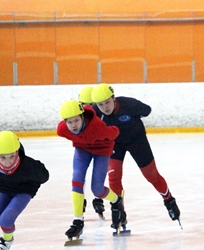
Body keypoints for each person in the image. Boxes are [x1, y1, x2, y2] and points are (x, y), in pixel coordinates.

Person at [90, 83, 180, 225]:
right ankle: (118, 210)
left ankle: (169, 200)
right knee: (114, 176)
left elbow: (147, 110)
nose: (105, 107)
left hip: (137, 140)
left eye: (107, 102)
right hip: (114, 144)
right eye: (100, 104)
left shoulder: (129, 104)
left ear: (114, 98)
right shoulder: (95, 113)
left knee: (151, 175)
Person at [56, 99, 125, 238]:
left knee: (97, 190)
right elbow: (69, 131)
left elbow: (114, 132)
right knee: (77, 179)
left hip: (102, 150)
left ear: (82, 117)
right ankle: (77, 221)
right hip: (82, 149)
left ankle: (116, 200)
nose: (73, 125)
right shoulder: (62, 130)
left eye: (76, 120)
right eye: (69, 122)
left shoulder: (96, 126)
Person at [78, 86, 106, 218]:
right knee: (79, 176)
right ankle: (81, 201)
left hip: (101, 149)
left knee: (98, 176)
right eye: (85, 105)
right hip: (85, 149)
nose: (89, 108)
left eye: (91, 105)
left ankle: (98, 198)